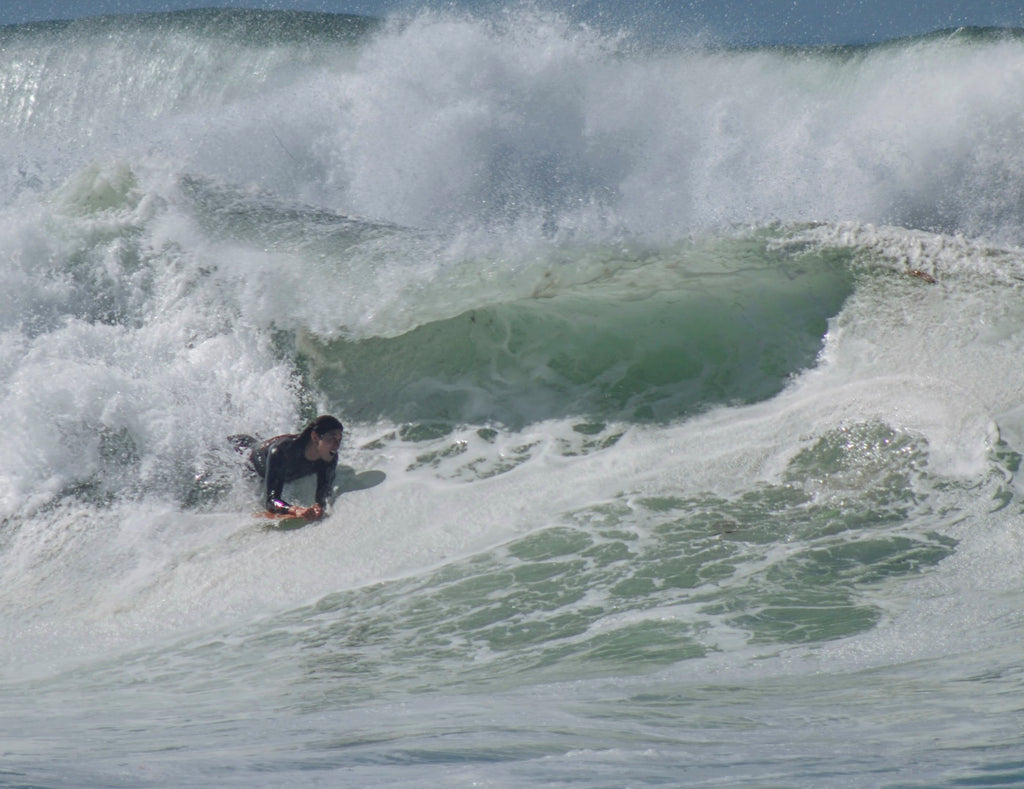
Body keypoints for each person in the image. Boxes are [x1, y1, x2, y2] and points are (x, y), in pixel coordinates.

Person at [235, 415, 344, 522]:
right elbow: (271, 501)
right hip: (244, 454)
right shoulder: (283, 452)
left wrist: (319, 507)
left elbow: (323, 494)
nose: (336, 445)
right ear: (315, 437)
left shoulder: (329, 458)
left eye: (339, 439)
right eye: (331, 439)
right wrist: (295, 510)